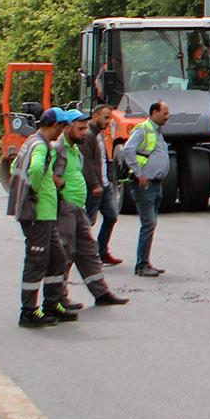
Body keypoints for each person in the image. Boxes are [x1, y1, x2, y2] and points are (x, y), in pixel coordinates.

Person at [3, 108, 75, 328]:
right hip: (37, 214)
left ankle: (52, 305)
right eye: (62, 127)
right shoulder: (41, 145)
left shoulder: (32, 141)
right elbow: (34, 170)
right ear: (55, 126)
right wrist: (36, 189)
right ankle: (28, 312)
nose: (62, 132)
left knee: (57, 258)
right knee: (37, 262)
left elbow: (16, 166)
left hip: (45, 214)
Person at [53, 110, 127, 309]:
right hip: (64, 208)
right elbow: (41, 174)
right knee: (65, 253)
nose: (85, 132)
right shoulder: (57, 148)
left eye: (86, 128)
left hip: (78, 206)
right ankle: (59, 297)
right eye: (80, 128)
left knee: (88, 252)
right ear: (67, 126)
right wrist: (59, 188)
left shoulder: (75, 146)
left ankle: (101, 293)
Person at [120, 102, 171, 277]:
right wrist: (139, 173)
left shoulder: (157, 131)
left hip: (156, 184)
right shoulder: (143, 129)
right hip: (145, 185)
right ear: (154, 112)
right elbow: (128, 150)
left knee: (150, 224)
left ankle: (145, 262)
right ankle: (141, 265)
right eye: (164, 113)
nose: (167, 116)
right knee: (148, 224)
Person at [83, 105, 124, 266]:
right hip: (95, 187)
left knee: (111, 216)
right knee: (88, 222)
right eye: (106, 117)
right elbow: (88, 163)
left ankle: (102, 252)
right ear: (95, 115)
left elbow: (103, 159)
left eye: (110, 118)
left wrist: (110, 179)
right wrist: (95, 185)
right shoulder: (87, 135)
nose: (109, 121)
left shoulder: (99, 134)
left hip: (104, 185)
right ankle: (83, 254)